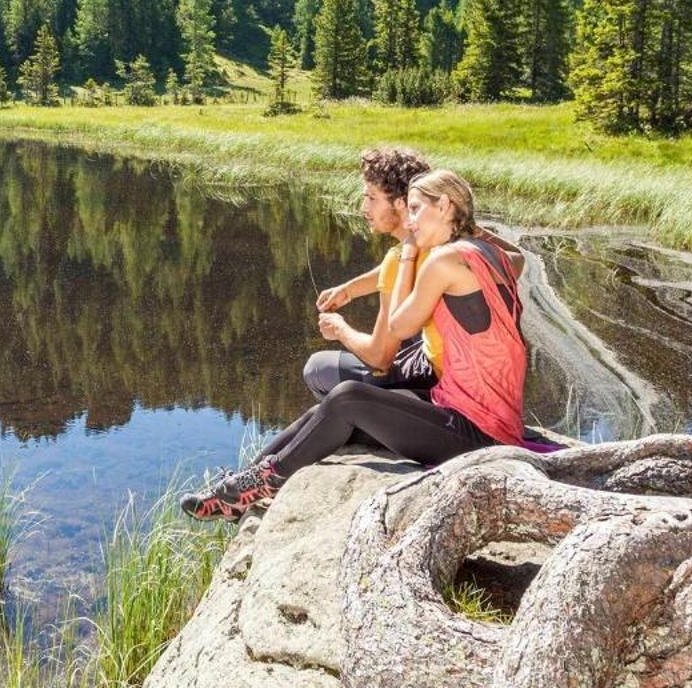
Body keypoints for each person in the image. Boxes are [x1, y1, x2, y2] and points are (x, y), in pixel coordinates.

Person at [182, 169, 530, 521]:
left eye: (415, 209)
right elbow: (520, 255)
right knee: (328, 412)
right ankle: (241, 488)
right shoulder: (495, 256)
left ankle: (263, 484)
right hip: (467, 412)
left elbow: (399, 324)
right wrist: (465, 222)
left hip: (479, 433)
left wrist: (407, 253)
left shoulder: (443, 260)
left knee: (349, 397)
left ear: (444, 206)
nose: (409, 222)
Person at [302, 147, 522, 400]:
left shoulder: (402, 259)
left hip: (444, 383)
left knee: (318, 369)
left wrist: (339, 328)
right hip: (473, 378)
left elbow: (380, 357)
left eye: (372, 198)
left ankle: (373, 427)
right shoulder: (450, 245)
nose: (364, 207)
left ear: (401, 204)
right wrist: (350, 289)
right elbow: (517, 260)